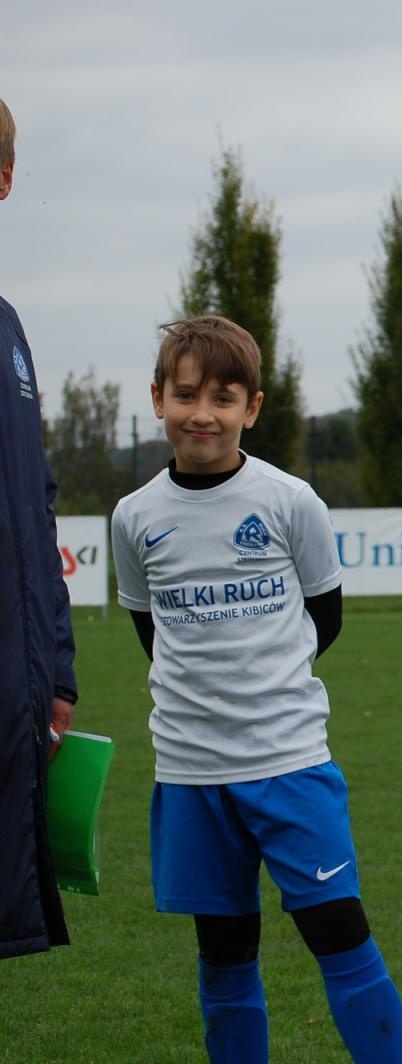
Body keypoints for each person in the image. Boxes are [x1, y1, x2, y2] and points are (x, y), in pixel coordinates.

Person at [109, 316, 402, 1062]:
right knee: (224, 951)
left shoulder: (289, 501)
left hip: (287, 762)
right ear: (157, 398)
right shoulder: (135, 517)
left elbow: (324, 617)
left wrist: (264, 684)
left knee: (340, 934)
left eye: (223, 397)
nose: (202, 414)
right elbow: (153, 632)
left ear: (253, 407)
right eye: (186, 395)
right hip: (191, 772)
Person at [1, 94, 80, 962]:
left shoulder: (9, 328)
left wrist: (53, 676)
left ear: (7, 178)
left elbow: (34, 509)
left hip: (16, 707)